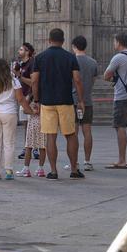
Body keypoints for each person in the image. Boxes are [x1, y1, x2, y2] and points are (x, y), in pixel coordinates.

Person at [31, 28, 84, 180]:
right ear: (63, 41)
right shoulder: (70, 57)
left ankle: (53, 171)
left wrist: (36, 100)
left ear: (49, 40)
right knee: (70, 135)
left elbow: (34, 81)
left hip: (47, 102)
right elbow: (77, 80)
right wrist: (80, 100)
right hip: (66, 101)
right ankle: (74, 169)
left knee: (51, 137)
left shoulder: (40, 58)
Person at [103, 33, 127, 169]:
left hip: (121, 96)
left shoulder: (118, 57)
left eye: (115, 42)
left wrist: (113, 78)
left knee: (120, 126)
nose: (114, 44)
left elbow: (106, 75)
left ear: (118, 43)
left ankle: (121, 160)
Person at [0, 58, 25, 181]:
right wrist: (28, 109)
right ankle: (8, 170)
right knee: (9, 143)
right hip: (9, 113)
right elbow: (20, 98)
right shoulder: (14, 82)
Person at [14, 43, 46, 177]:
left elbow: (33, 83)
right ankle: (40, 168)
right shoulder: (21, 64)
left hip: (30, 100)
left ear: (28, 51)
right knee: (40, 139)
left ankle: (27, 167)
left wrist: (31, 99)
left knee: (30, 139)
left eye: (21, 49)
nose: (19, 51)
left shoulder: (33, 63)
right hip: (30, 99)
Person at [71, 36, 99, 172]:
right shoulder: (93, 62)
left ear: (74, 46)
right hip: (87, 101)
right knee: (87, 131)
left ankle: (74, 162)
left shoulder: (71, 61)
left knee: (73, 133)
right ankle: (87, 161)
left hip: (73, 101)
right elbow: (94, 80)